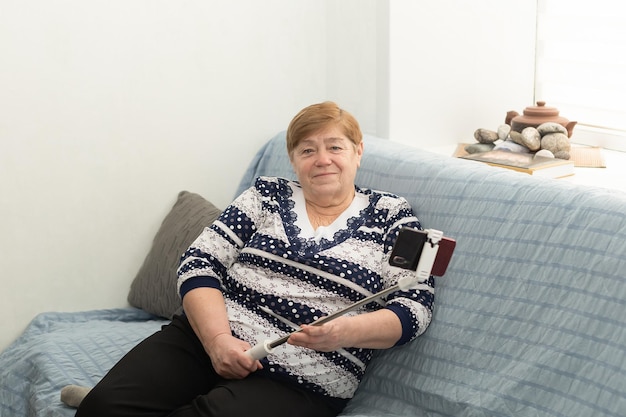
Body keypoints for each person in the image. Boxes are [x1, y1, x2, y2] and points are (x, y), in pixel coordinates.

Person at [76, 101, 434, 417]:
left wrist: (344, 332)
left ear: (358, 152)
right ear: (293, 160)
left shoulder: (394, 215)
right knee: (102, 407)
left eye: (335, 147)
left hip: (304, 376)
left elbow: (416, 304)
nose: (322, 159)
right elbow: (199, 262)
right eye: (307, 150)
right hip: (205, 339)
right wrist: (217, 341)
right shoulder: (266, 194)